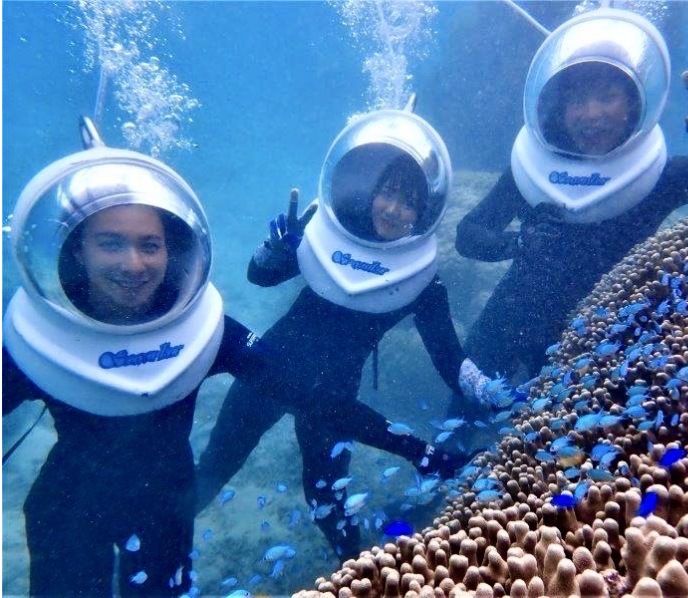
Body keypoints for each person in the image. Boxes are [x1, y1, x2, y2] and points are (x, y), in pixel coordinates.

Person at [195, 108, 499, 560]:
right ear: (370, 191)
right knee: (212, 472)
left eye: (409, 202)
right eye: (388, 193)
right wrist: (275, 250)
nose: (394, 210)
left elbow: (446, 354)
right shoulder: (326, 233)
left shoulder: (419, 277)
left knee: (326, 502)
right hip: (266, 375)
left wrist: (484, 388)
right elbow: (259, 277)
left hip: (333, 401)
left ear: (426, 210)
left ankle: (360, 580)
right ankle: (148, 551)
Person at [2, 117, 278, 597]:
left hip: (165, 514)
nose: (133, 265)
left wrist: (415, 449)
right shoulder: (42, 334)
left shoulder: (201, 329)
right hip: (65, 513)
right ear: (77, 250)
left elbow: (301, 383)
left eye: (150, 245)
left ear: (171, 250)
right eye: (110, 242)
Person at [455, 8, 688, 385]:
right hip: (505, 328)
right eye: (576, 101)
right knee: (462, 423)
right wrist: (516, 243)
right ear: (558, 108)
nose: (591, 114)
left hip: (595, 350)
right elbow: (469, 235)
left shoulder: (657, 174)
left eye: (608, 96)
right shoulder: (534, 171)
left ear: (635, 102)